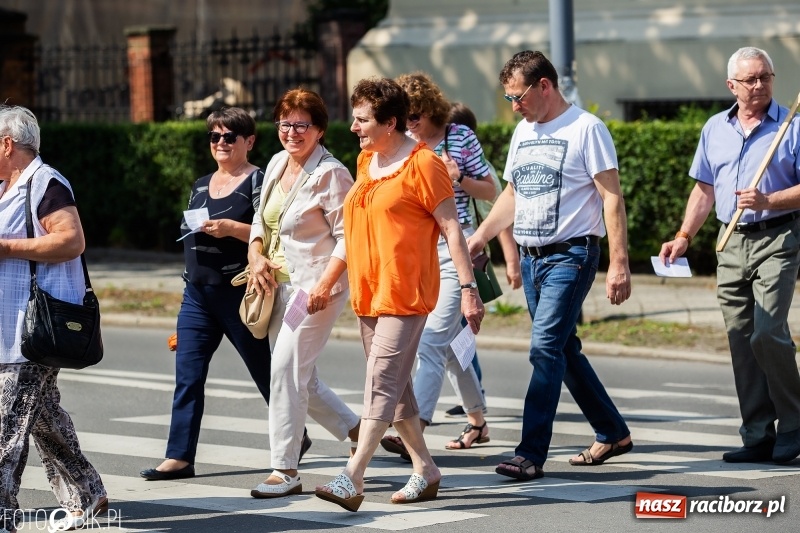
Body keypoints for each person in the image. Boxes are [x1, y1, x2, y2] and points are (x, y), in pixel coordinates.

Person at [314, 77, 484, 512]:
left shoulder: (424, 164)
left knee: (381, 382)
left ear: (390, 123)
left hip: (407, 293)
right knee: (397, 389)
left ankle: (352, 477)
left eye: (362, 119)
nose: (353, 127)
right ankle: (425, 468)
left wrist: (468, 290)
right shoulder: (368, 159)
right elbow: (354, 232)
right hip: (369, 292)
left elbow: (452, 229)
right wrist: (331, 278)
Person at [467, 50, 633, 481]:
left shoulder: (586, 128)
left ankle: (529, 452)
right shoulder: (523, 132)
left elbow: (611, 197)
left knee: (544, 349)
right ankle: (613, 432)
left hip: (572, 256)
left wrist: (619, 263)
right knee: (562, 348)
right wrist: (481, 236)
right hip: (532, 256)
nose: (514, 106)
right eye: (508, 98)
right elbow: (512, 194)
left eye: (518, 96)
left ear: (545, 85)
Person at [659, 46, 800, 464]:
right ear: (731, 86)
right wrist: (684, 234)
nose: (759, 85)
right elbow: (704, 189)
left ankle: (793, 425)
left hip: (778, 237)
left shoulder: (792, 126)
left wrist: (769, 199)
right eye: (750, 79)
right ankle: (758, 433)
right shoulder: (714, 129)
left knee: (766, 332)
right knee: (741, 339)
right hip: (730, 240)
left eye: (766, 77)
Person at [140, 107, 276, 481]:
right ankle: (179, 457)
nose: (220, 143)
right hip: (196, 295)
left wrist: (232, 228)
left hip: (239, 293)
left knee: (268, 374)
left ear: (249, 141)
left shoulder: (259, 181)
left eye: (229, 137)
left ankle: (293, 437)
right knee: (188, 376)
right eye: (214, 137)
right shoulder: (201, 183)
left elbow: (274, 234)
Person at [246, 88, 360, 498]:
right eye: (284, 123)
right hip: (278, 285)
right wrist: (255, 254)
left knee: (285, 371)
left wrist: (326, 285)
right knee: (300, 375)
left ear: (320, 130)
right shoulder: (277, 163)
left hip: (313, 289)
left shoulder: (331, 173)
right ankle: (357, 429)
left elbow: (350, 238)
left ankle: (285, 469)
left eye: (301, 125)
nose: (291, 132)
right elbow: (260, 220)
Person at [0, 104, 107, 533]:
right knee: (42, 416)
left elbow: (71, 239)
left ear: (7, 144)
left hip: (33, 327)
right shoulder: (8, 186)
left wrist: (6, 247)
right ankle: (87, 492)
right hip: (9, 325)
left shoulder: (44, 182)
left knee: (6, 427)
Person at [375, 72, 492, 456]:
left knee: (431, 341)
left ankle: (416, 425)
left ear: (432, 110)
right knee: (452, 347)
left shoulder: (459, 137)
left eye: (417, 116)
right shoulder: (399, 148)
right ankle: (478, 421)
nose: (412, 125)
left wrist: (459, 179)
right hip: (415, 255)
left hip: (454, 251)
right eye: (405, 118)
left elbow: (492, 189)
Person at [445, 101, 522, 419]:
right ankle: (472, 394)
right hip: (461, 250)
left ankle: (473, 393)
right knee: (456, 328)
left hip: (470, 252)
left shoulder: (480, 170)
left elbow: (498, 215)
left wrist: (512, 260)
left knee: (460, 327)